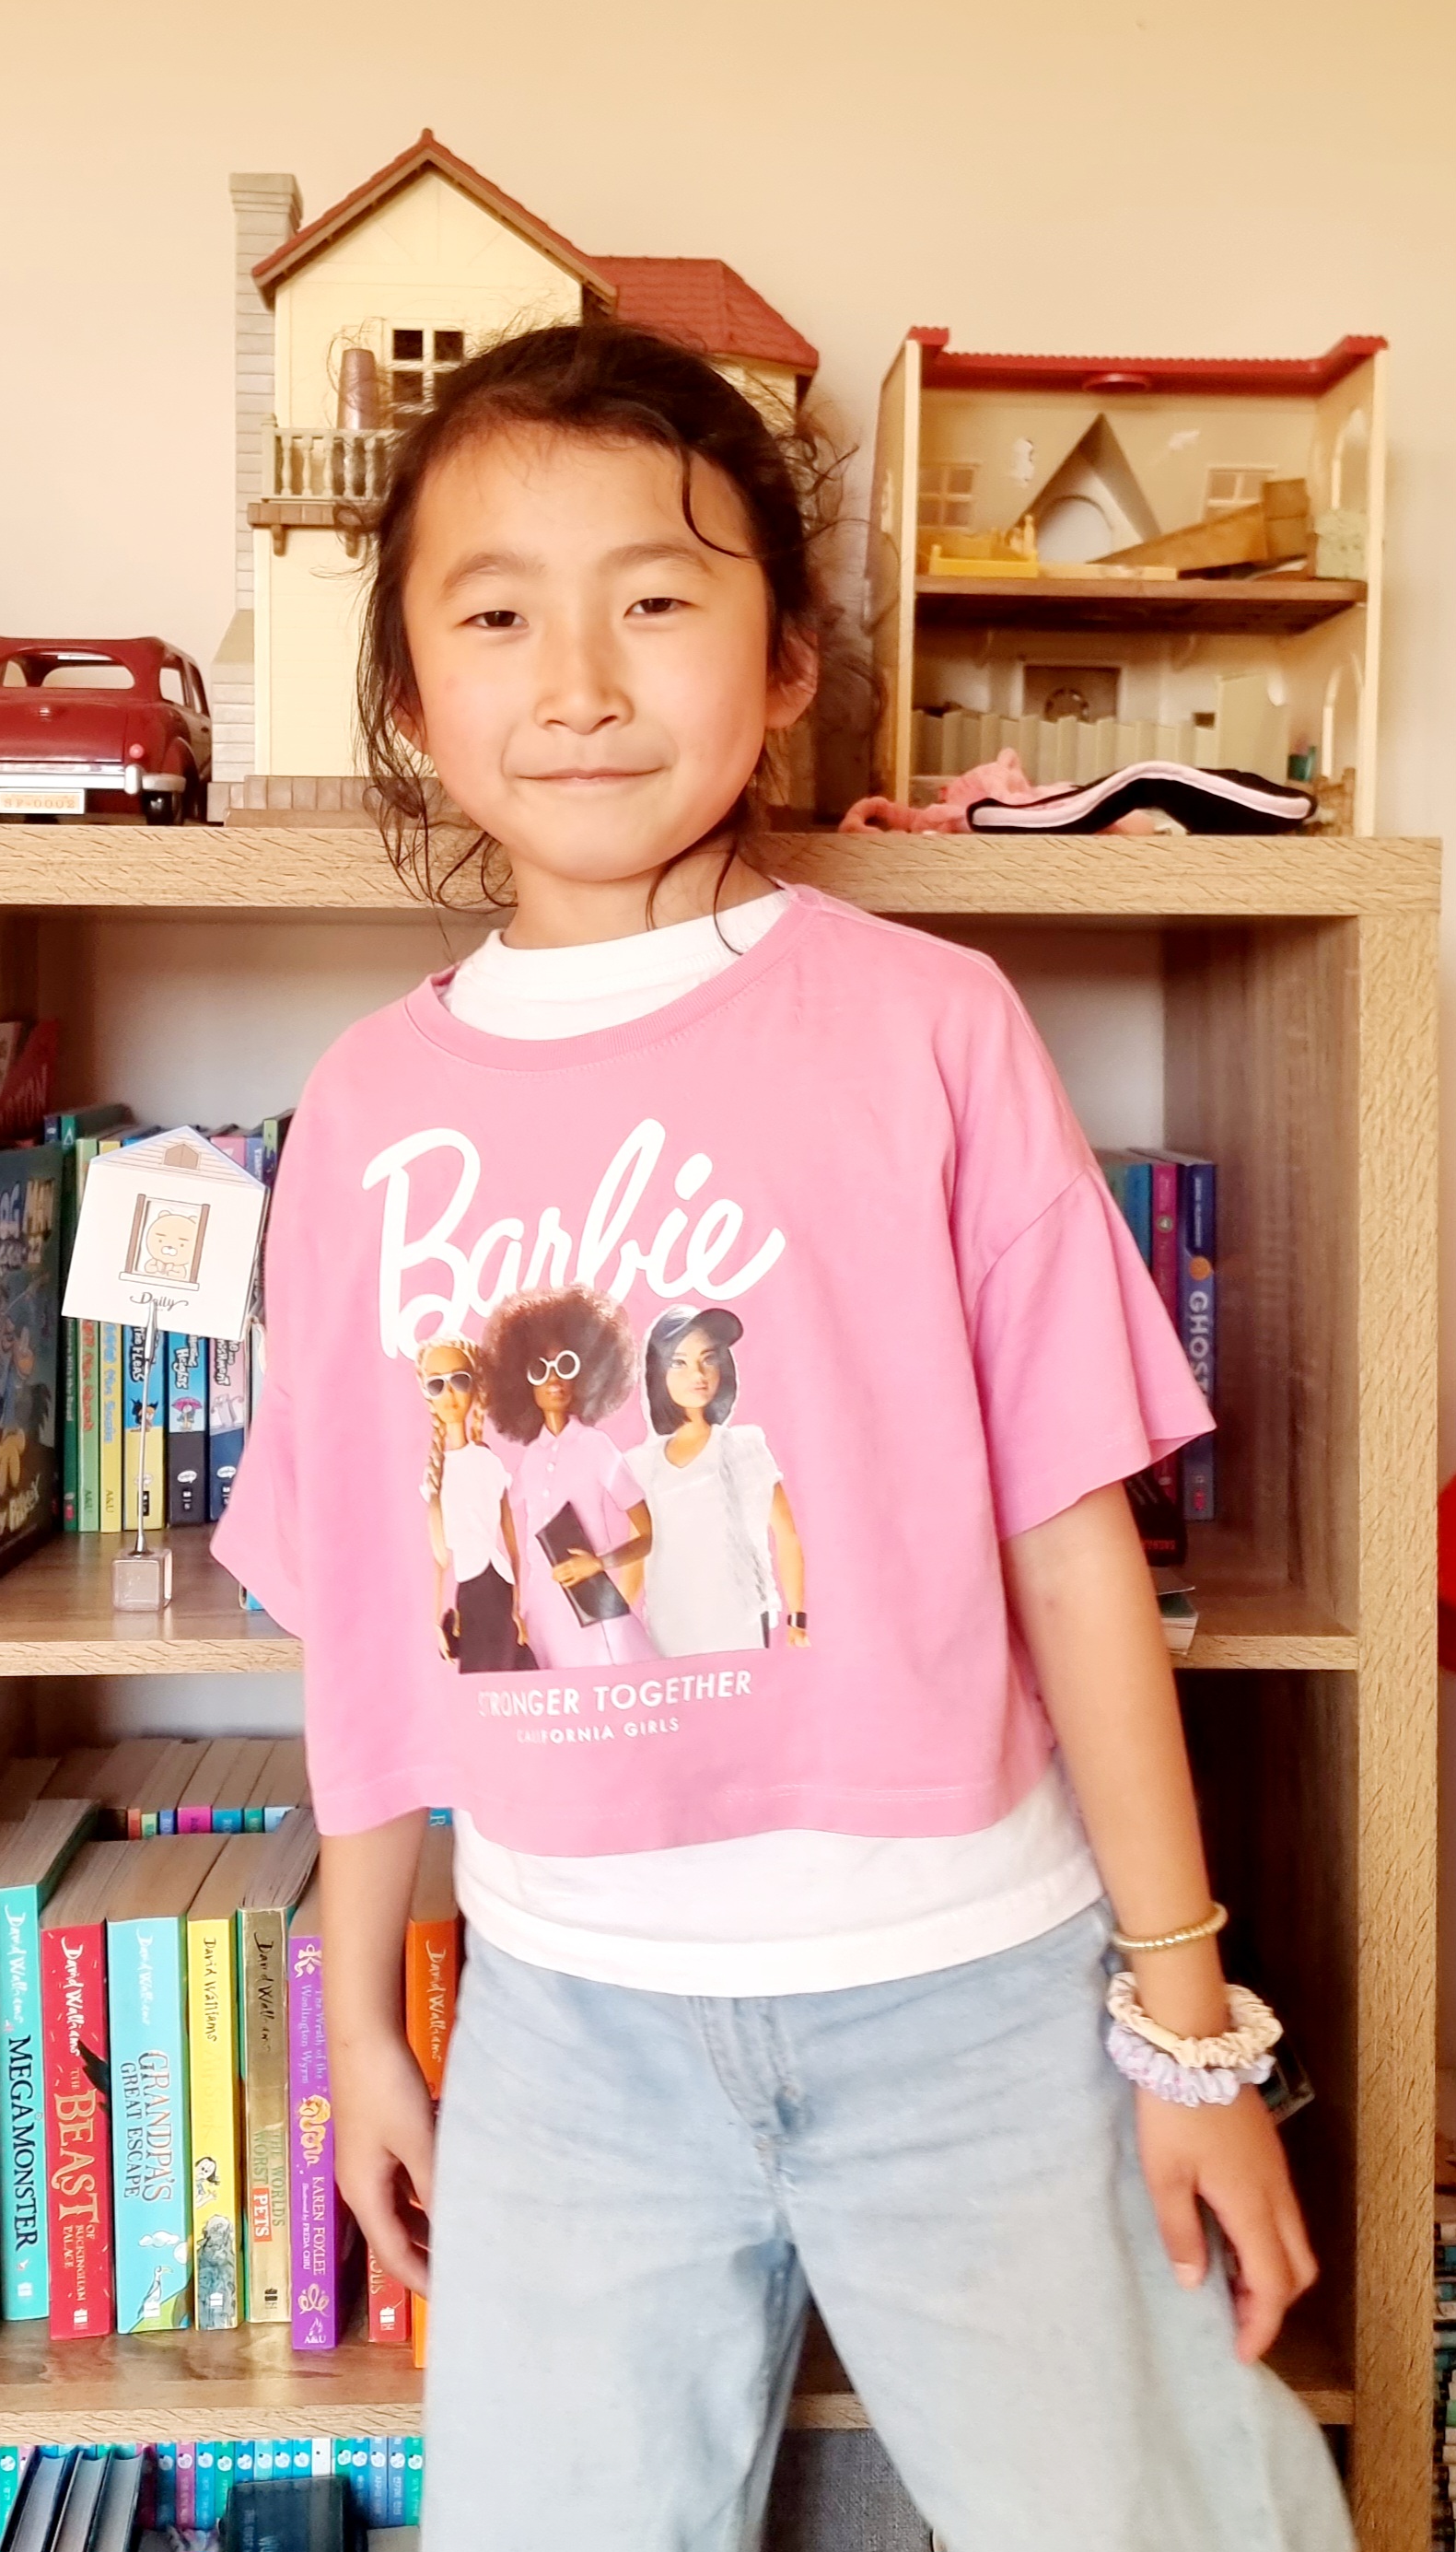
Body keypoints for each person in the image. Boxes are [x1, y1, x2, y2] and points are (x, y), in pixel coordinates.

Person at [214, 320, 1350, 2552]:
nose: (578, 679)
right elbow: (368, 1606)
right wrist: (357, 2017)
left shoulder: (929, 1026)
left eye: (655, 596)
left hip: (977, 1999)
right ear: (409, 697)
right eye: (494, 613)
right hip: (569, 2032)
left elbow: (1072, 1545)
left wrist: (1188, 2026)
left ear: (789, 658)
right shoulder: (362, 1110)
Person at [475, 1283, 653, 1668]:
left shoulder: (596, 1446)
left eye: (566, 1365)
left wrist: (599, 1563)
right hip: (540, 1611)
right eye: (540, 1369)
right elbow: (497, 1516)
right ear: (522, 1381)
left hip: (590, 1606)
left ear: (586, 1373)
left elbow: (647, 1536)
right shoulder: (530, 1459)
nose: (554, 1379)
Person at [626, 1301, 808, 1653]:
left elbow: (785, 1534)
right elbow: (637, 1551)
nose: (698, 1374)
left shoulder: (743, 1447)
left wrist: (797, 1619)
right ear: (658, 1372)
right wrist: (610, 1625)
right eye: (679, 1362)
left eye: (708, 1359)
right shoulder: (642, 1465)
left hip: (738, 1622)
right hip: (668, 1627)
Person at [415, 1335, 534, 1671]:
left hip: (499, 1583)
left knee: (510, 1668)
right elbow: (440, 1558)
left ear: (474, 1386)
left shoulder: (488, 1462)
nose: (450, 1394)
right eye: (437, 1385)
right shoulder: (436, 1472)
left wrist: (517, 1607)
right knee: (480, 1671)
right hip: (469, 1588)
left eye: (459, 1381)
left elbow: (512, 1545)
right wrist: (436, 1620)